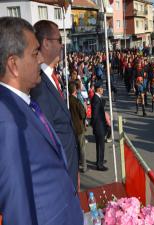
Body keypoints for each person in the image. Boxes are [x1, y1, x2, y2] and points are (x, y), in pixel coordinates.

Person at [0, 17, 83, 225]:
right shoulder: (8, 121)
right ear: (13, 65)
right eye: (35, 53)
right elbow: (17, 208)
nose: (39, 60)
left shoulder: (24, 104)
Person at [30, 20, 79, 189]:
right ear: (46, 43)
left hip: (70, 168)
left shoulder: (50, 77)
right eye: (59, 40)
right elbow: (47, 140)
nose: (62, 45)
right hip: (61, 176)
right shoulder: (38, 85)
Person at [69, 82, 87, 173]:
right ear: (75, 90)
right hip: (79, 127)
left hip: (72, 127)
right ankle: (84, 166)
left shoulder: (67, 101)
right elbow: (83, 114)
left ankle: (76, 164)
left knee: (76, 148)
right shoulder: (76, 101)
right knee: (82, 147)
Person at [91, 81, 108, 171]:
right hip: (99, 126)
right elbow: (95, 115)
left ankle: (100, 160)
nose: (103, 90)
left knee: (100, 145)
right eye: (102, 88)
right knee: (100, 146)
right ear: (99, 89)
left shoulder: (98, 98)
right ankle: (99, 165)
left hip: (100, 125)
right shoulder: (96, 99)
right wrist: (96, 126)